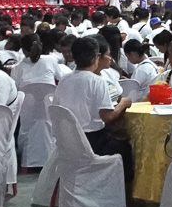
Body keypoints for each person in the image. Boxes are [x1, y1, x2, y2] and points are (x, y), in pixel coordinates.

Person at [51, 37, 133, 188]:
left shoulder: (64, 80)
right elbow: (108, 116)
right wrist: (123, 104)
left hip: (67, 142)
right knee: (127, 146)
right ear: (95, 57)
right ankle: (126, 195)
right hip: (93, 142)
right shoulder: (97, 81)